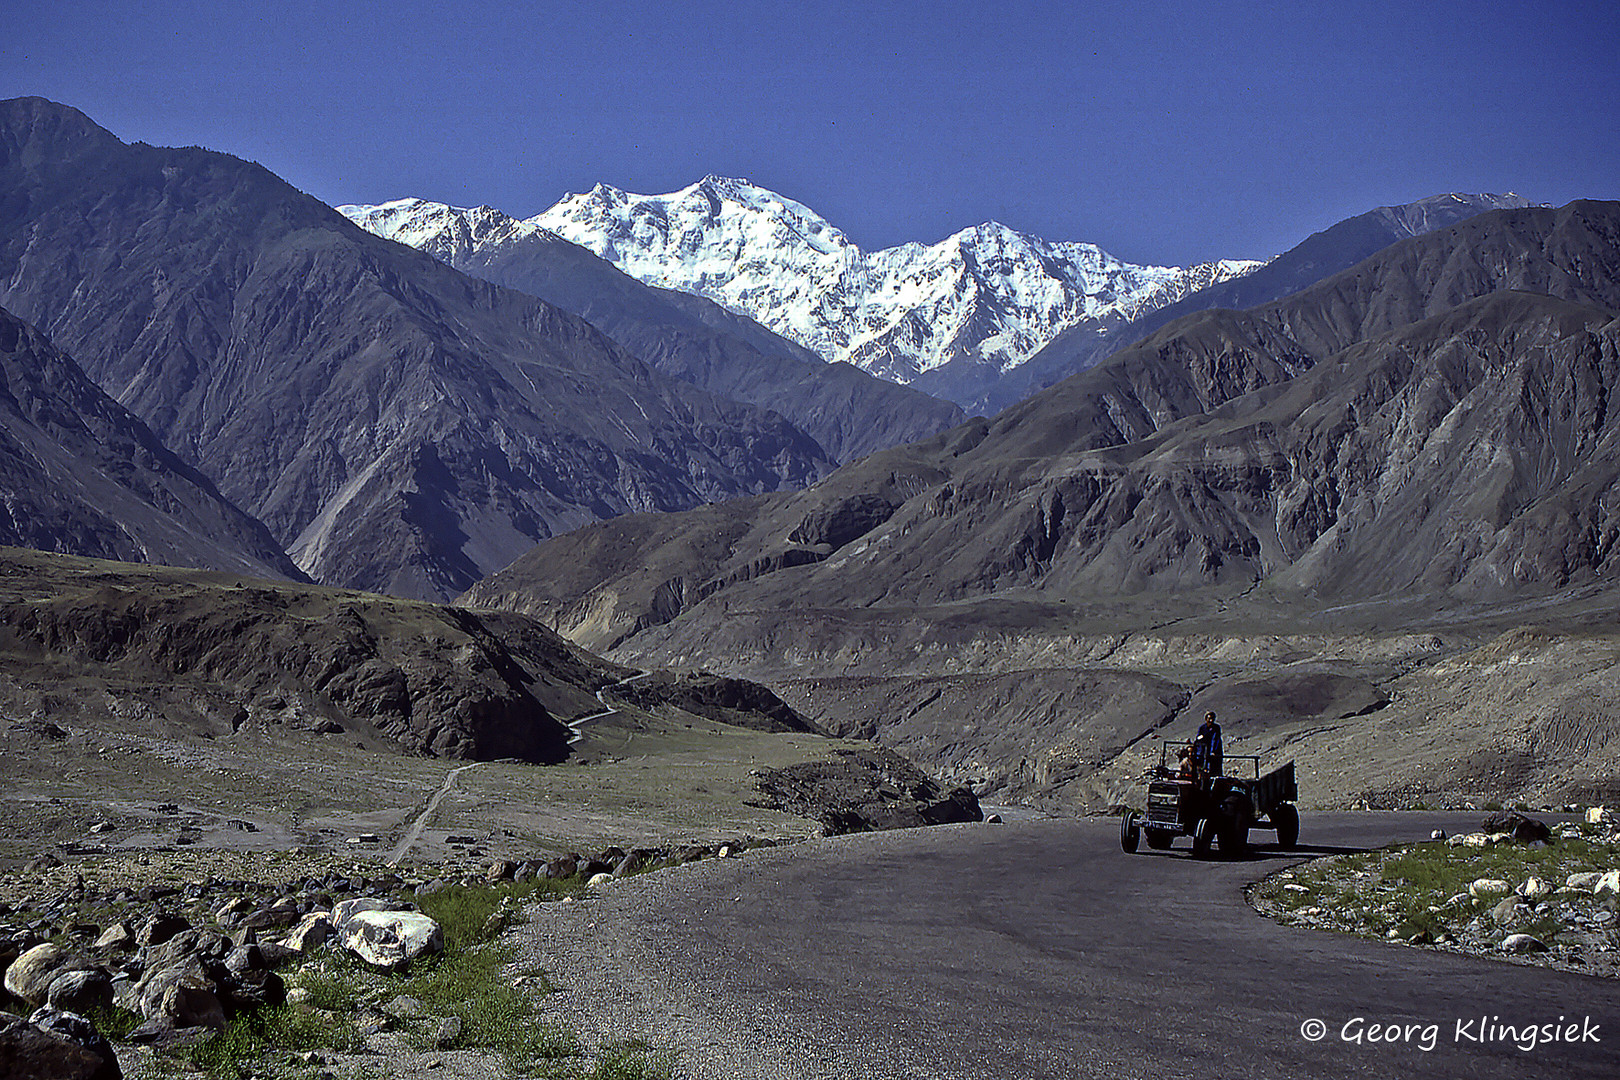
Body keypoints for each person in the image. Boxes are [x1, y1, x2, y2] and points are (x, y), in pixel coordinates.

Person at [1191, 711, 1223, 779]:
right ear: (1206, 719)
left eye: (1212, 718)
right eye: (1209, 718)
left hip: (1213, 752)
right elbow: (1198, 738)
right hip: (1203, 751)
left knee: (1214, 769)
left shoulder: (1216, 728)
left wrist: (1213, 751)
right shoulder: (1202, 728)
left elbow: (1215, 740)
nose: (1211, 720)